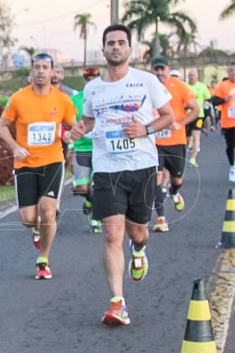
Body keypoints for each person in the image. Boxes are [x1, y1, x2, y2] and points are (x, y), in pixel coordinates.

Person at [66, 24, 173, 326]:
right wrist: (78, 130)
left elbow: (169, 116)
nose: (116, 47)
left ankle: (139, 250)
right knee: (112, 234)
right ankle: (117, 303)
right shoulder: (93, 88)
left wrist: (145, 128)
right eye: (110, 43)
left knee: (137, 232)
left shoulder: (147, 81)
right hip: (108, 170)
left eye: (121, 42)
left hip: (142, 167)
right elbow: (87, 121)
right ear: (103, 50)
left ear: (129, 49)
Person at [0, 52, 79, 280]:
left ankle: (43, 260)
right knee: (28, 219)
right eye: (37, 67)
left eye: (46, 67)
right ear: (31, 71)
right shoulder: (18, 99)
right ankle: (36, 227)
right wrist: (14, 147)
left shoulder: (62, 100)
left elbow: (73, 125)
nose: (41, 71)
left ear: (53, 72)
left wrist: (72, 136)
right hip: (24, 163)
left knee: (48, 211)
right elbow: (1, 126)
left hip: (53, 160)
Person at [149, 56, 199, 233]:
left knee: (177, 178)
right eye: (156, 69)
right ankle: (161, 219)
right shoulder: (147, 86)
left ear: (169, 69)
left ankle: (175, 191)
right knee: (156, 178)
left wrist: (180, 123)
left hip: (176, 141)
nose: (159, 73)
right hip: (155, 142)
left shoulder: (178, 85)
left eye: (162, 69)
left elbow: (196, 109)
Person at [70, 67, 102, 233]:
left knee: (98, 185)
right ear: (84, 81)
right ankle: (89, 200)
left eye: (93, 79)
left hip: (100, 149)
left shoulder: (104, 97)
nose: (90, 82)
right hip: (81, 148)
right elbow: (68, 122)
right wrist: (70, 146)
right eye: (87, 79)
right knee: (82, 188)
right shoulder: (75, 100)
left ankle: (96, 220)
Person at [184, 68, 211, 167]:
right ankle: (190, 144)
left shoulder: (202, 86)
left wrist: (207, 102)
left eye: (193, 75)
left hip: (198, 115)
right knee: (187, 138)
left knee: (196, 135)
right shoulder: (184, 86)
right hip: (186, 115)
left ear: (197, 76)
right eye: (190, 75)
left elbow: (208, 98)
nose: (192, 77)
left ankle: (193, 159)